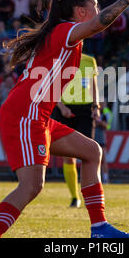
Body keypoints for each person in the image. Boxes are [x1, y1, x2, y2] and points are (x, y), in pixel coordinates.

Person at [0, 0, 129, 238]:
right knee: (31, 186)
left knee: (92, 151)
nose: (98, 8)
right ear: (81, 11)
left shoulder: (61, 33)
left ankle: (100, 228)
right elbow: (98, 23)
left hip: (38, 114)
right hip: (26, 114)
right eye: (95, 5)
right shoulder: (66, 30)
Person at [50, 53, 99, 208]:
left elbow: (94, 85)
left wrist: (96, 107)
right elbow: (53, 86)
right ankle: (75, 197)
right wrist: (61, 106)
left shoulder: (89, 60)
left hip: (85, 110)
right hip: (65, 108)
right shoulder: (60, 59)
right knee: (68, 156)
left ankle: (88, 196)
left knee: (87, 154)